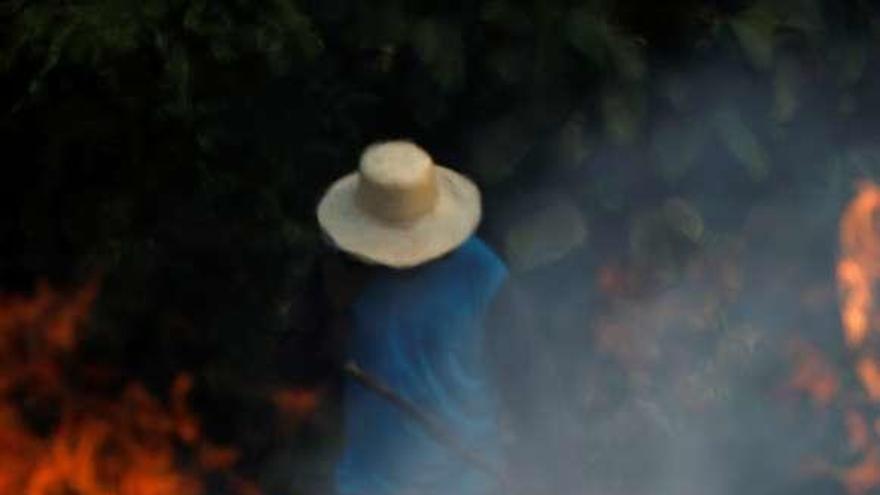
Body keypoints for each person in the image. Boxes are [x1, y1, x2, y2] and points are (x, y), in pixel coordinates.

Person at [311, 140, 509, 495]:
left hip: (470, 481)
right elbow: (300, 363)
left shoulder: (483, 276)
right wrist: (329, 336)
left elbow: (531, 381)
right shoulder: (342, 275)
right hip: (370, 484)